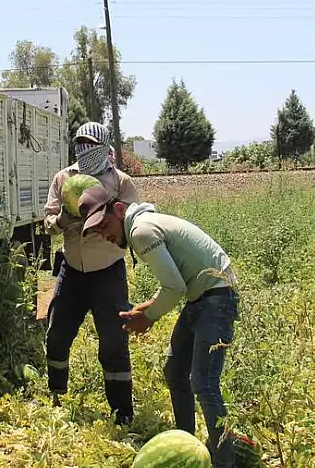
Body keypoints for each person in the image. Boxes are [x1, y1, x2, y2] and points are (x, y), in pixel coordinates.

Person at [79, 185, 240, 467]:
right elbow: (177, 278)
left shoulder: (141, 232)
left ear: (119, 210)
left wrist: (149, 317)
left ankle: (224, 462)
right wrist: (150, 305)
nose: (105, 235)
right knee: (176, 371)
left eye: (104, 225)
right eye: (98, 232)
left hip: (215, 298)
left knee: (204, 382)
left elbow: (175, 287)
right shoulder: (144, 225)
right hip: (203, 296)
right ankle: (185, 445)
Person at [41, 121, 139, 425]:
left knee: (113, 342)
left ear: (104, 148)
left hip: (108, 273)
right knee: (57, 335)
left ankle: (122, 413)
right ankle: (57, 395)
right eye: (79, 144)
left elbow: (133, 223)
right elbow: (47, 224)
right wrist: (64, 218)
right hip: (72, 271)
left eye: (91, 146)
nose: (85, 151)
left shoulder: (120, 182)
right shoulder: (64, 178)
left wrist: (102, 220)